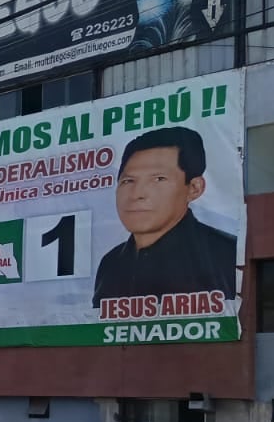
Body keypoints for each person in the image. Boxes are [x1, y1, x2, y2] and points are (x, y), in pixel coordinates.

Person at [92, 127, 236, 307]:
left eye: (158, 179)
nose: (137, 194)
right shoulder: (111, 263)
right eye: (128, 181)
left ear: (194, 188)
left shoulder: (227, 254)